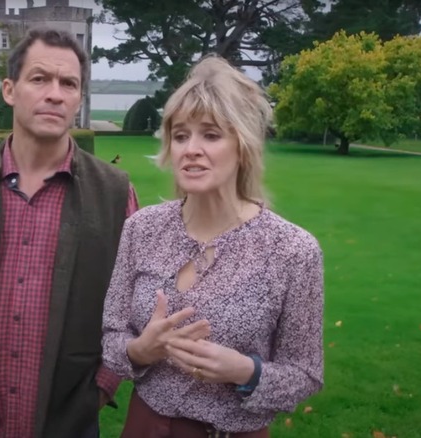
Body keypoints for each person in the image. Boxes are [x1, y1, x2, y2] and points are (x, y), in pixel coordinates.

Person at [0, 27, 139, 438]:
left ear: (78, 98)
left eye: (68, 83)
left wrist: (102, 386)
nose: (54, 93)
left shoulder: (115, 192)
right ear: (9, 89)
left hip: (70, 418)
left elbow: (130, 306)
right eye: (39, 79)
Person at [101, 55, 324, 438]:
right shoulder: (141, 228)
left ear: (243, 145)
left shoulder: (292, 250)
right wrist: (141, 350)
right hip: (146, 425)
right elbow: (109, 337)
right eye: (181, 135)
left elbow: (305, 374)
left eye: (211, 134)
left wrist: (245, 371)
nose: (190, 149)